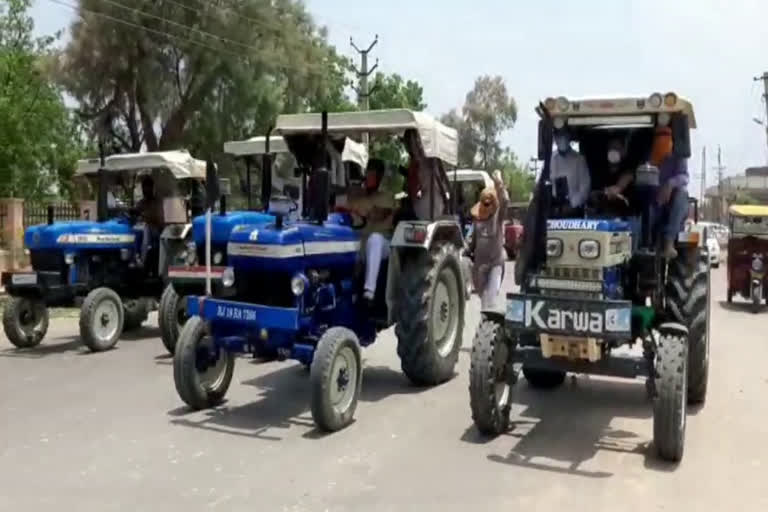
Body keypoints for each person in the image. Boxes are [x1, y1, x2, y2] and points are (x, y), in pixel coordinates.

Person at [346, 159, 396, 305]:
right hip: (360, 242)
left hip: (384, 244)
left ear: (380, 176)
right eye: (367, 173)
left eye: (372, 174)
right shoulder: (357, 194)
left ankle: (369, 292)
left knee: (375, 239)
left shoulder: (386, 196)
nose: (368, 177)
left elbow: (379, 214)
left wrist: (361, 211)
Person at [469, 169, 510, 310]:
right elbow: (471, 244)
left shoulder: (498, 218)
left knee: (491, 300)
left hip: (495, 264)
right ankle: (486, 324)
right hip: (480, 267)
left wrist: (499, 182)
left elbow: (505, 200)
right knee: (484, 301)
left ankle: (488, 327)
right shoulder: (477, 221)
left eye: (488, 203)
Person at [651, 126, 689, 259]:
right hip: (652, 202)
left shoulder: (678, 155)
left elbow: (684, 177)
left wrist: (669, 184)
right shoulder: (647, 157)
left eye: (666, 136)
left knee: (682, 194)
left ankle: (669, 243)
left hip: (671, 205)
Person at [549, 129, 591, 210]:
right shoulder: (550, 159)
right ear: (555, 138)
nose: (562, 138)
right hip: (553, 210)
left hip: (573, 210)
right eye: (559, 135)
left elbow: (585, 189)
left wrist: (571, 205)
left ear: (569, 137)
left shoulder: (579, 160)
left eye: (564, 134)